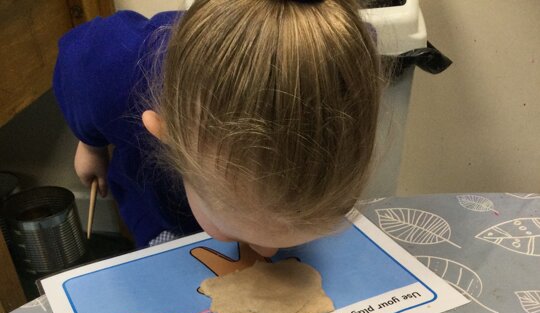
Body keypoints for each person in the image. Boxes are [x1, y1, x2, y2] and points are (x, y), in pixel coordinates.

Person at [54, 0, 381, 257]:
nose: (265, 253)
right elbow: (77, 67)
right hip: (157, 207)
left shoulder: (336, 54)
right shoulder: (114, 71)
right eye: (235, 233)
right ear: (165, 132)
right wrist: (91, 143)